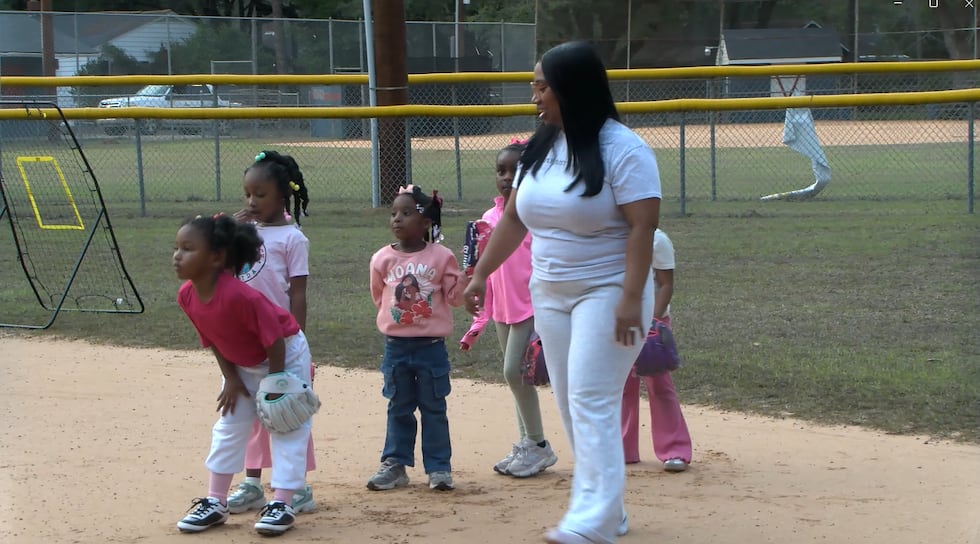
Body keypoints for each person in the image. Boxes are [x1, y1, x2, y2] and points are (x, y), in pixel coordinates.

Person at [462, 41, 662, 544]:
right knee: (573, 402)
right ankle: (608, 509)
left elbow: (643, 229)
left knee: (592, 397)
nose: (534, 95)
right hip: (549, 292)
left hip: (610, 289)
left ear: (572, 89)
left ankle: (590, 518)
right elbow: (512, 219)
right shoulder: (541, 148)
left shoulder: (625, 150)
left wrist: (628, 297)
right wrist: (481, 274)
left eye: (542, 85)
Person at [172, 214, 314, 536]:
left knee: (286, 426)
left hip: (284, 355)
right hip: (241, 365)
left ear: (216, 257)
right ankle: (215, 501)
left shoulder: (240, 295)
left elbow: (275, 338)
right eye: (177, 247)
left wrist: (277, 384)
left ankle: (282, 502)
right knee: (230, 423)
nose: (178, 255)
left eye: (188, 248)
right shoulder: (187, 296)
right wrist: (231, 378)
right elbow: (212, 338)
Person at [459, 139, 558, 478]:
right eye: (501, 170)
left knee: (513, 372)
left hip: (529, 304)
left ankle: (539, 445)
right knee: (519, 380)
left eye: (515, 170)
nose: (506, 177)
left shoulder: (532, 214)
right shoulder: (489, 216)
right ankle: (527, 444)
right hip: (501, 305)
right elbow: (481, 261)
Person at [227, 150, 316, 515]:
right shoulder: (243, 232)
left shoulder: (293, 239)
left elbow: (298, 294)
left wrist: (299, 344)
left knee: (286, 414)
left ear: (282, 196)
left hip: (282, 342)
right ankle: (251, 483)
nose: (252, 201)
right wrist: (231, 233)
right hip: (247, 340)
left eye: (260, 194)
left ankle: (295, 488)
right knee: (250, 415)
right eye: (248, 193)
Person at [367, 184, 467, 492]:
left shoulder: (442, 256)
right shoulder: (382, 258)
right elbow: (379, 296)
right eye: (394, 213)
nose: (397, 219)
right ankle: (395, 464)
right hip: (396, 349)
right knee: (399, 406)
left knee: (434, 407)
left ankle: (439, 468)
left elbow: (454, 298)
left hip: (431, 349)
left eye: (407, 213)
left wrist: (468, 277)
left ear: (426, 223)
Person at [620, 228, 693, 472]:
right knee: (620, 386)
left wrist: (653, 322)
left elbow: (665, 285)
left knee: (659, 385)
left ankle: (675, 449)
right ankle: (621, 449)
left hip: (652, 323)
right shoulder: (607, 236)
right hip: (618, 322)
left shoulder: (657, 239)